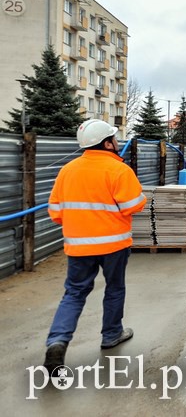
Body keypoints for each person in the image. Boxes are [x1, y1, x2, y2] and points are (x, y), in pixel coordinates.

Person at [44, 119, 147, 373]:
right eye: (114, 138)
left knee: (74, 293)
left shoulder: (67, 171)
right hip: (114, 245)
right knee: (114, 288)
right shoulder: (119, 171)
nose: (118, 141)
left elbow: (55, 213)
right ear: (107, 143)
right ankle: (111, 334)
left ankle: (57, 340)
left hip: (78, 247)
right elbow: (134, 205)